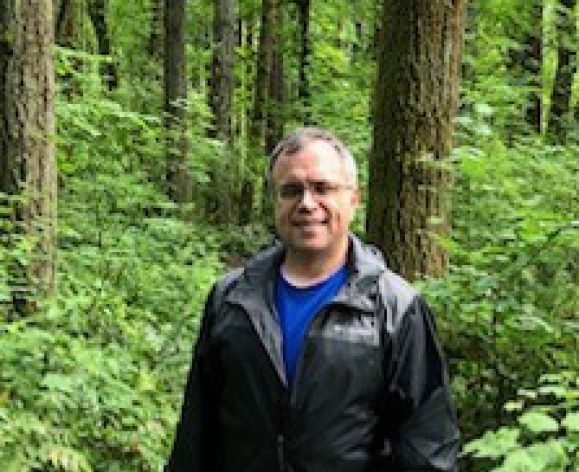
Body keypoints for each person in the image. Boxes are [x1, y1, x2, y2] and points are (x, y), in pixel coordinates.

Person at [166, 127, 460, 471]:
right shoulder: (232, 300)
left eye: (323, 188)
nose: (307, 204)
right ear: (276, 202)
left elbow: (426, 443)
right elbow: (197, 431)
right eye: (291, 191)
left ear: (353, 198)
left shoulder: (395, 308)